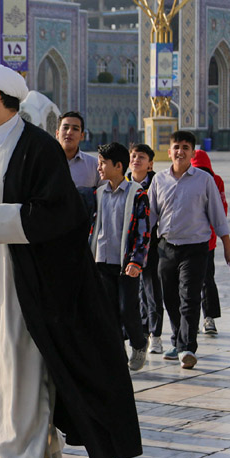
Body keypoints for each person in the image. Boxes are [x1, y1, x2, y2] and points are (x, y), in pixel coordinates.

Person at [0, 62, 142, 458]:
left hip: (19, 279)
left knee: (21, 371)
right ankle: (33, 440)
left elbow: (63, 213)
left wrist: (1, 215)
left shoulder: (37, 148)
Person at [148, 131, 230, 370]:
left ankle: (188, 346)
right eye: (176, 147)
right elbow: (150, 216)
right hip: (166, 248)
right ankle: (178, 340)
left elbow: (218, 216)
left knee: (189, 297)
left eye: (185, 147)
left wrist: (228, 247)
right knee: (170, 297)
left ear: (192, 152)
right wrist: (139, 247)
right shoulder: (159, 180)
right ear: (169, 151)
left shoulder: (204, 180)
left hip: (195, 249)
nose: (180, 151)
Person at [90, 142, 151, 371]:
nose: (99, 168)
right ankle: (117, 355)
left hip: (126, 265)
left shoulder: (137, 194)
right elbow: (94, 228)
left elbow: (143, 232)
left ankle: (139, 342)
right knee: (109, 312)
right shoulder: (98, 194)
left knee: (127, 309)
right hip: (102, 263)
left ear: (118, 166)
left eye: (103, 163)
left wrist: (136, 260)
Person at [127, 143, 164, 354]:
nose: (136, 160)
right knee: (133, 291)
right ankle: (139, 332)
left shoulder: (158, 183)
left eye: (141, 157)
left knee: (151, 289)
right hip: (128, 247)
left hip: (151, 245)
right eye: (133, 156)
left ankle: (155, 335)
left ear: (150, 164)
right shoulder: (122, 182)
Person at [190, 149, 228, 336]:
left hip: (207, 240)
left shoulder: (216, 181)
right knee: (188, 283)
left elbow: (222, 208)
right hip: (187, 239)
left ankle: (209, 317)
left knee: (207, 279)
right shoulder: (186, 179)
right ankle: (190, 320)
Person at [56, 111, 100, 188]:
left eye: (75, 129)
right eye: (65, 128)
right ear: (57, 134)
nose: (69, 132)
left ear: (82, 136)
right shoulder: (44, 162)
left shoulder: (95, 166)